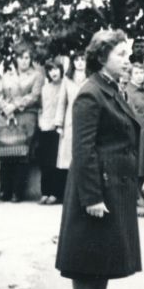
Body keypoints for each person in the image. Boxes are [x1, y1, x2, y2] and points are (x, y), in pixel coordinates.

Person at [55, 29, 141, 289]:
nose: (127, 58)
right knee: (86, 260)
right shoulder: (91, 92)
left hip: (114, 185)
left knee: (103, 258)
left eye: (127, 52)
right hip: (97, 187)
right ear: (101, 57)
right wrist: (91, 196)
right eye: (121, 53)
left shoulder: (111, 88)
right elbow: (83, 148)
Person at [0, 42, 44, 202]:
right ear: (16, 59)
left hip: (25, 117)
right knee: (5, 153)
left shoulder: (36, 75)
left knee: (22, 154)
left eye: (27, 58)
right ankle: (4, 190)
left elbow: (34, 96)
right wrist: (5, 107)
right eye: (21, 58)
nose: (25, 61)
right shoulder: (7, 75)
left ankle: (18, 192)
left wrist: (15, 106)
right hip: (7, 117)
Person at [55, 51, 87, 187]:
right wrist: (59, 124)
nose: (80, 62)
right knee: (69, 157)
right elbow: (62, 102)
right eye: (77, 60)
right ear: (73, 62)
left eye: (83, 59)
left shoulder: (91, 79)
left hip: (87, 121)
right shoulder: (67, 80)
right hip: (70, 121)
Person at [36, 60, 65, 204]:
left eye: (56, 69)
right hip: (45, 127)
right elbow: (41, 108)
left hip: (59, 128)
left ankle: (55, 193)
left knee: (57, 162)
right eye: (51, 70)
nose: (54, 72)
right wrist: (41, 122)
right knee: (45, 161)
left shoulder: (65, 86)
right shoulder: (45, 88)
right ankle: (45, 192)